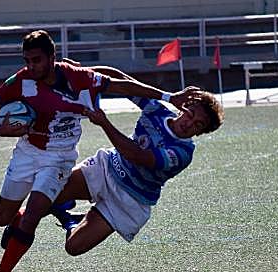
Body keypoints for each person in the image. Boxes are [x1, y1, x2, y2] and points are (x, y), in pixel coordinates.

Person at [0, 30, 198, 272]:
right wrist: (0, 129)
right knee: (4, 218)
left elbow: (123, 92)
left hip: (64, 161)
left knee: (40, 221)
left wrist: (166, 96)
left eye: (37, 60)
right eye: (27, 60)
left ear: (52, 57)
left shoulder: (79, 79)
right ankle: (43, 218)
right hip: (31, 153)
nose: (31, 66)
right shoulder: (21, 80)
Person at [51, 66, 224, 255]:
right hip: (107, 168)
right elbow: (118, 77)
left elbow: (136, 155)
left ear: (200, 132)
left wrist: (104, 123)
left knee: (73, 247)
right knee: (47, 195)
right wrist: (79, 72)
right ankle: (46, 212)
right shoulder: (155, 110)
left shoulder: (182, 153)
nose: (189, 124)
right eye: (190, 115)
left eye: (198, 124)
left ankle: (72, 221)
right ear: (183, 109)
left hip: (130, 200)